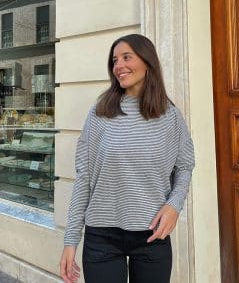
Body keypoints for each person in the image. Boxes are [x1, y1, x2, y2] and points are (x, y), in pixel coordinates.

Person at [60, 33, 195, 283]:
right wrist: (71, 240)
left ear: (147, 62)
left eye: (126, 57)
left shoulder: (170, 116)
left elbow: (185, 165)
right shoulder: (100, 113)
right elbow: (84, 178)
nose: (118, 66)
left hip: (152, 236)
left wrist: (174, 205)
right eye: (114, 60)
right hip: (102, 238)